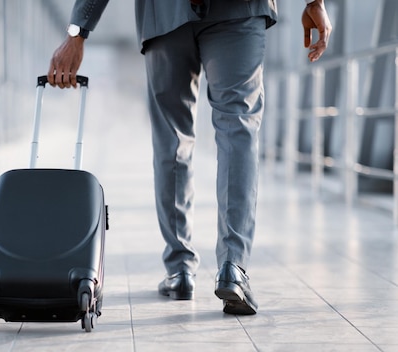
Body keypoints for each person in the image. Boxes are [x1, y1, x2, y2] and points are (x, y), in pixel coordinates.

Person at [48, 0, 332, 315]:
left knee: (172, 138)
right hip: (240, 11)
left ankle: (180, 269)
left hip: (165, 15)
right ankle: (233, 265)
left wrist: (78, 31)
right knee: (237, 129)